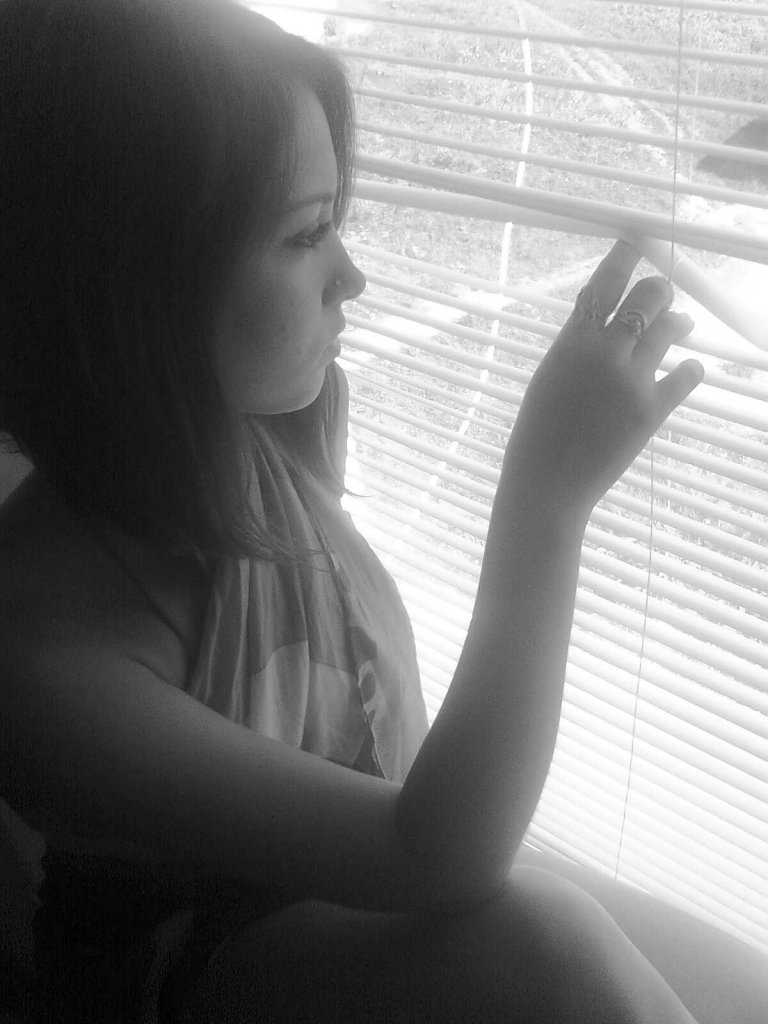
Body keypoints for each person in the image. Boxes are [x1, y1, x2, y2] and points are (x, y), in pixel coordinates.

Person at [1, 1, 763, 1022]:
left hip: (346, 884)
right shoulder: (41, 652)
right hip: (182, 968)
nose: (353, 276)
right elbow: (430, 854)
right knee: (545, 941)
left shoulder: (271, 430)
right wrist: (547, 502)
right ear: (124, 286)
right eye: (308, 232)